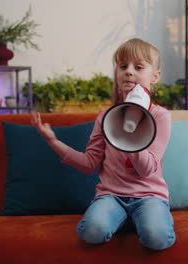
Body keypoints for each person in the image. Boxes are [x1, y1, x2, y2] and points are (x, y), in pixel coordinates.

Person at [31, 38, 175, 250]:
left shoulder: (160, 117)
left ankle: (140, 219)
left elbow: (147, 170)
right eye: (122, 66)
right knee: (92, 231)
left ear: (155, 77)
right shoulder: (106, 117)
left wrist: (131, 133)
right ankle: (120, 217)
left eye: (138, 67)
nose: (128, 71)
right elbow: (89, 164)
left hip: (149, 196)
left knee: (157, 238)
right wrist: (53, 141)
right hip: (112, 196)